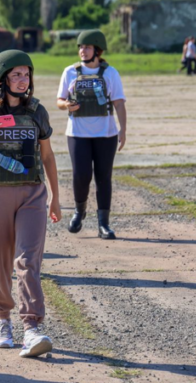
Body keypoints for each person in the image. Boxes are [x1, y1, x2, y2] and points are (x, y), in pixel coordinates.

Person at [0, 49, 61, 358]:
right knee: (0, 263)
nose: (23, 79)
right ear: (2, 79)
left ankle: (32, 327)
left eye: (26, 74)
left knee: (28, 261)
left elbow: (47, 155)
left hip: (32, 193)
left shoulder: (36, 111)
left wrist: (56, 196)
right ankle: (3, 320)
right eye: (16, 74)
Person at [56, 29, 127, 240]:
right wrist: (66, 104)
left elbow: (119, 103)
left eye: (86, 47)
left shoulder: (110, 73)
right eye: (80, 47)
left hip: (106, 134)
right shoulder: (70, 72)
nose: (82, 50)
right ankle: (79, 211)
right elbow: (59, 101)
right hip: (77, 134)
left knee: (103, 178)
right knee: (81, 175)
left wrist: (123, 130)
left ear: (97, 50)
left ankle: (103, 224)